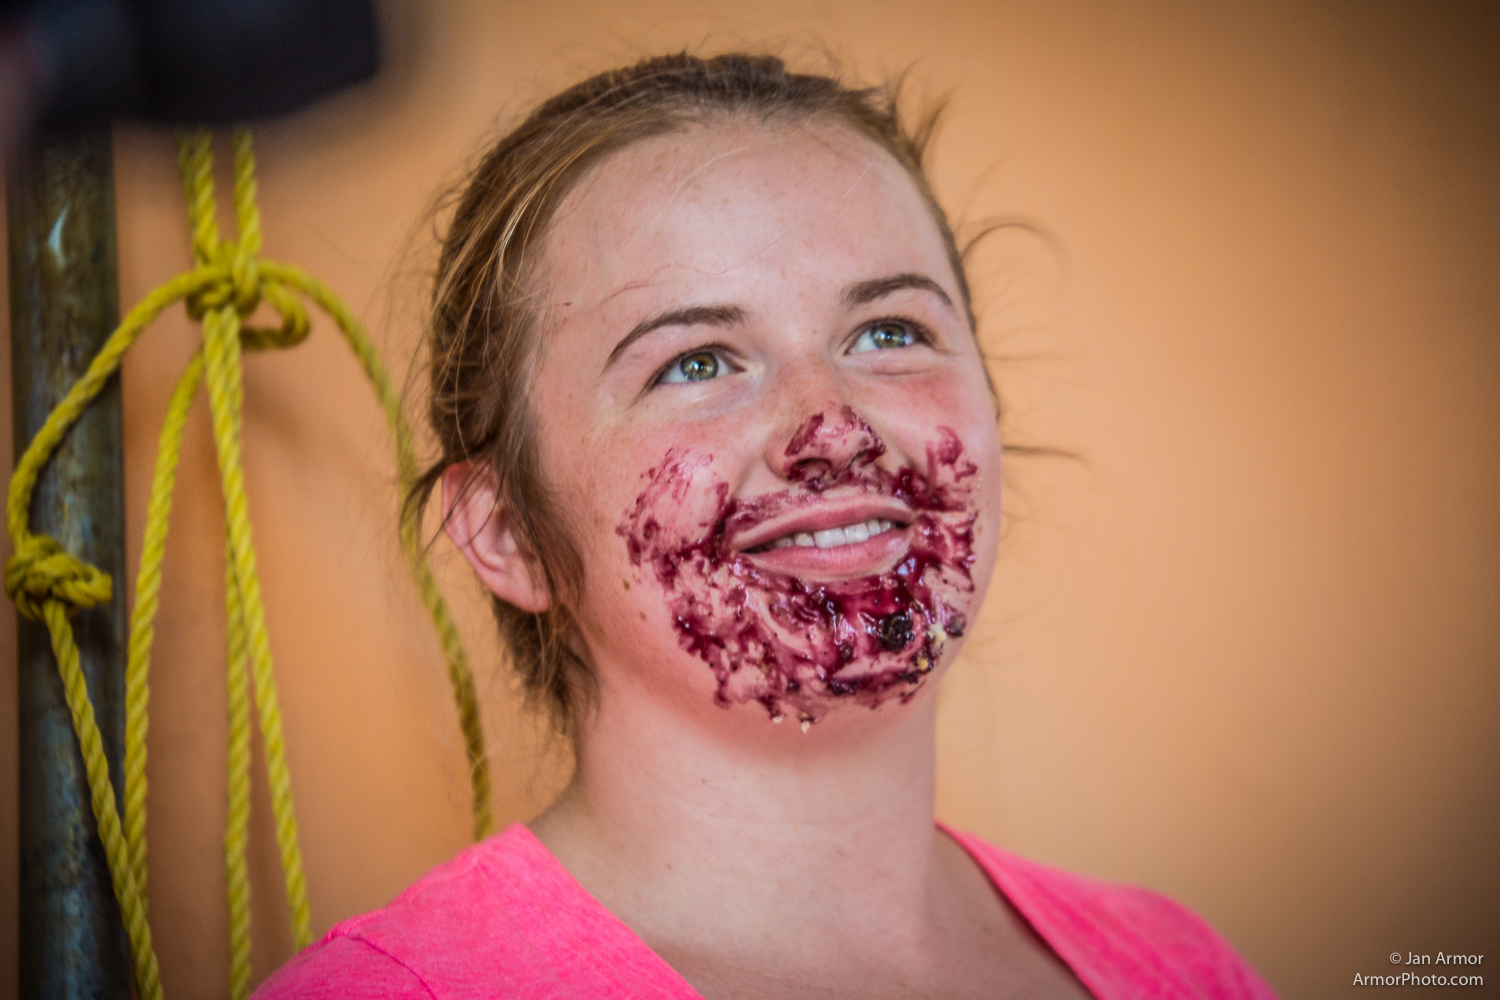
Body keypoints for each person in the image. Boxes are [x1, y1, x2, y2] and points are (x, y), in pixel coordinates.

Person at [256, 52, 1277, 1000]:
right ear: (508, 532)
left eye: (890, 332)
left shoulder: (1182, 965)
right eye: (696, 360)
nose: (831, 426)